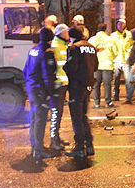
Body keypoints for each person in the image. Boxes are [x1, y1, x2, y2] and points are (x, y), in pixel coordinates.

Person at [22, 27, 58, 160]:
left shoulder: (33, 50)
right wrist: (49, 92)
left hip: (31, 88)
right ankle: (39, 149)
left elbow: (25, 71)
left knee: (34, 118)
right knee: (40, 119)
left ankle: (34, 146)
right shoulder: (46, 52)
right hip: (40, 90)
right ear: (51, 38)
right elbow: (48, 75)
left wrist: (30, 84)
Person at [63, 27, 98, 157]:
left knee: (77, 118)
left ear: (72, 37)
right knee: (83, 116)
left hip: (76, 86)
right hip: (88, 85)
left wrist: (64, 67)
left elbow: (72, 67)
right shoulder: (91, 47)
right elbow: (96, 66)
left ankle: (79, 148)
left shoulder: (74, 48)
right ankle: (89, 145)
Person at [49, 23, 71, 151]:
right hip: (58, 83)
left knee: (60, 113)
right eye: (66, 31)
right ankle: (53, 140)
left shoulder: (62, 45)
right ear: (60, 33)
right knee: (56, 113)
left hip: (62, 83)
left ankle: (56, 137)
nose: (68, 33)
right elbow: (58, 65)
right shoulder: (55, 45)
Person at [88, 23, 116, 108]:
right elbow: (115, 52)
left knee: (96, 85)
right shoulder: (110, 39)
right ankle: (108, 102)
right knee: (107, 85)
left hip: (95, 65)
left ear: (97, 29)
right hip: (107, 65)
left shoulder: (92, 40)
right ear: (105, 29)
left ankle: (96, 103)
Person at [111, 18, 135, 103]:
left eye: (121, 24)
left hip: (126, 60)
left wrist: (129, 53)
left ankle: (129, 96)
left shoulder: (129, 34)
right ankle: (115, 95)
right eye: (118, 24)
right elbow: (112, 47)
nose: (120, 25)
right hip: (117, 60)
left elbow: (132, 45)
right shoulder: (113, 35)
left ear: (125, 24)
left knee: (129, 79)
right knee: (116, 79)